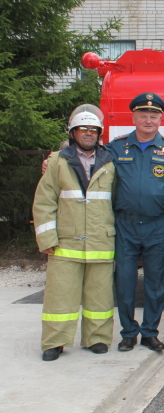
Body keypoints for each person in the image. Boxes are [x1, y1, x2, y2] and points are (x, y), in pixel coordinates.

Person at [33, 105, 116, 361]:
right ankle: (54, 342)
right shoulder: (58, 161)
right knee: (60, 296)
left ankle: (97, 338)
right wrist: (47, 238)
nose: (89, 133)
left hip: (101, 240)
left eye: (94, 130)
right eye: (83, 129)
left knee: (100, 296)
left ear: (99, 134)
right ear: (73, 132)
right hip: (65, 243)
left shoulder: (111, 162)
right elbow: (44, 202)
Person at [107, 93, 164, 352]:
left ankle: (150, 332)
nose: (148, 120)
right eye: (143, 115)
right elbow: (90, 169)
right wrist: (52, 159)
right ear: (133, 117)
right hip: (125, 224)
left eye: (154, 116)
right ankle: (128, 333)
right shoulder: (115, 148)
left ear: (161, 119)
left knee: (155, 283)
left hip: (158, 225)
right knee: (125, 282)